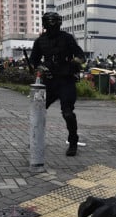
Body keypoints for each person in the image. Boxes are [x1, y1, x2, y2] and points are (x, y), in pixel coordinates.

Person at [29, 12, 85, 156]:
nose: (52, 27)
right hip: (48, 81)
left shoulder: (67, 38)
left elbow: (80, 55)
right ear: (45, 25)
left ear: (59, 23)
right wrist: (39, 67)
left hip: (66, 80)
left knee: (68, 113)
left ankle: (73, 142)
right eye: (49, 24)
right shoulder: (40, 41)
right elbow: (33, 61)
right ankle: (36, 140)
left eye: (54, 23)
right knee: (38, 112)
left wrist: (77, 61)